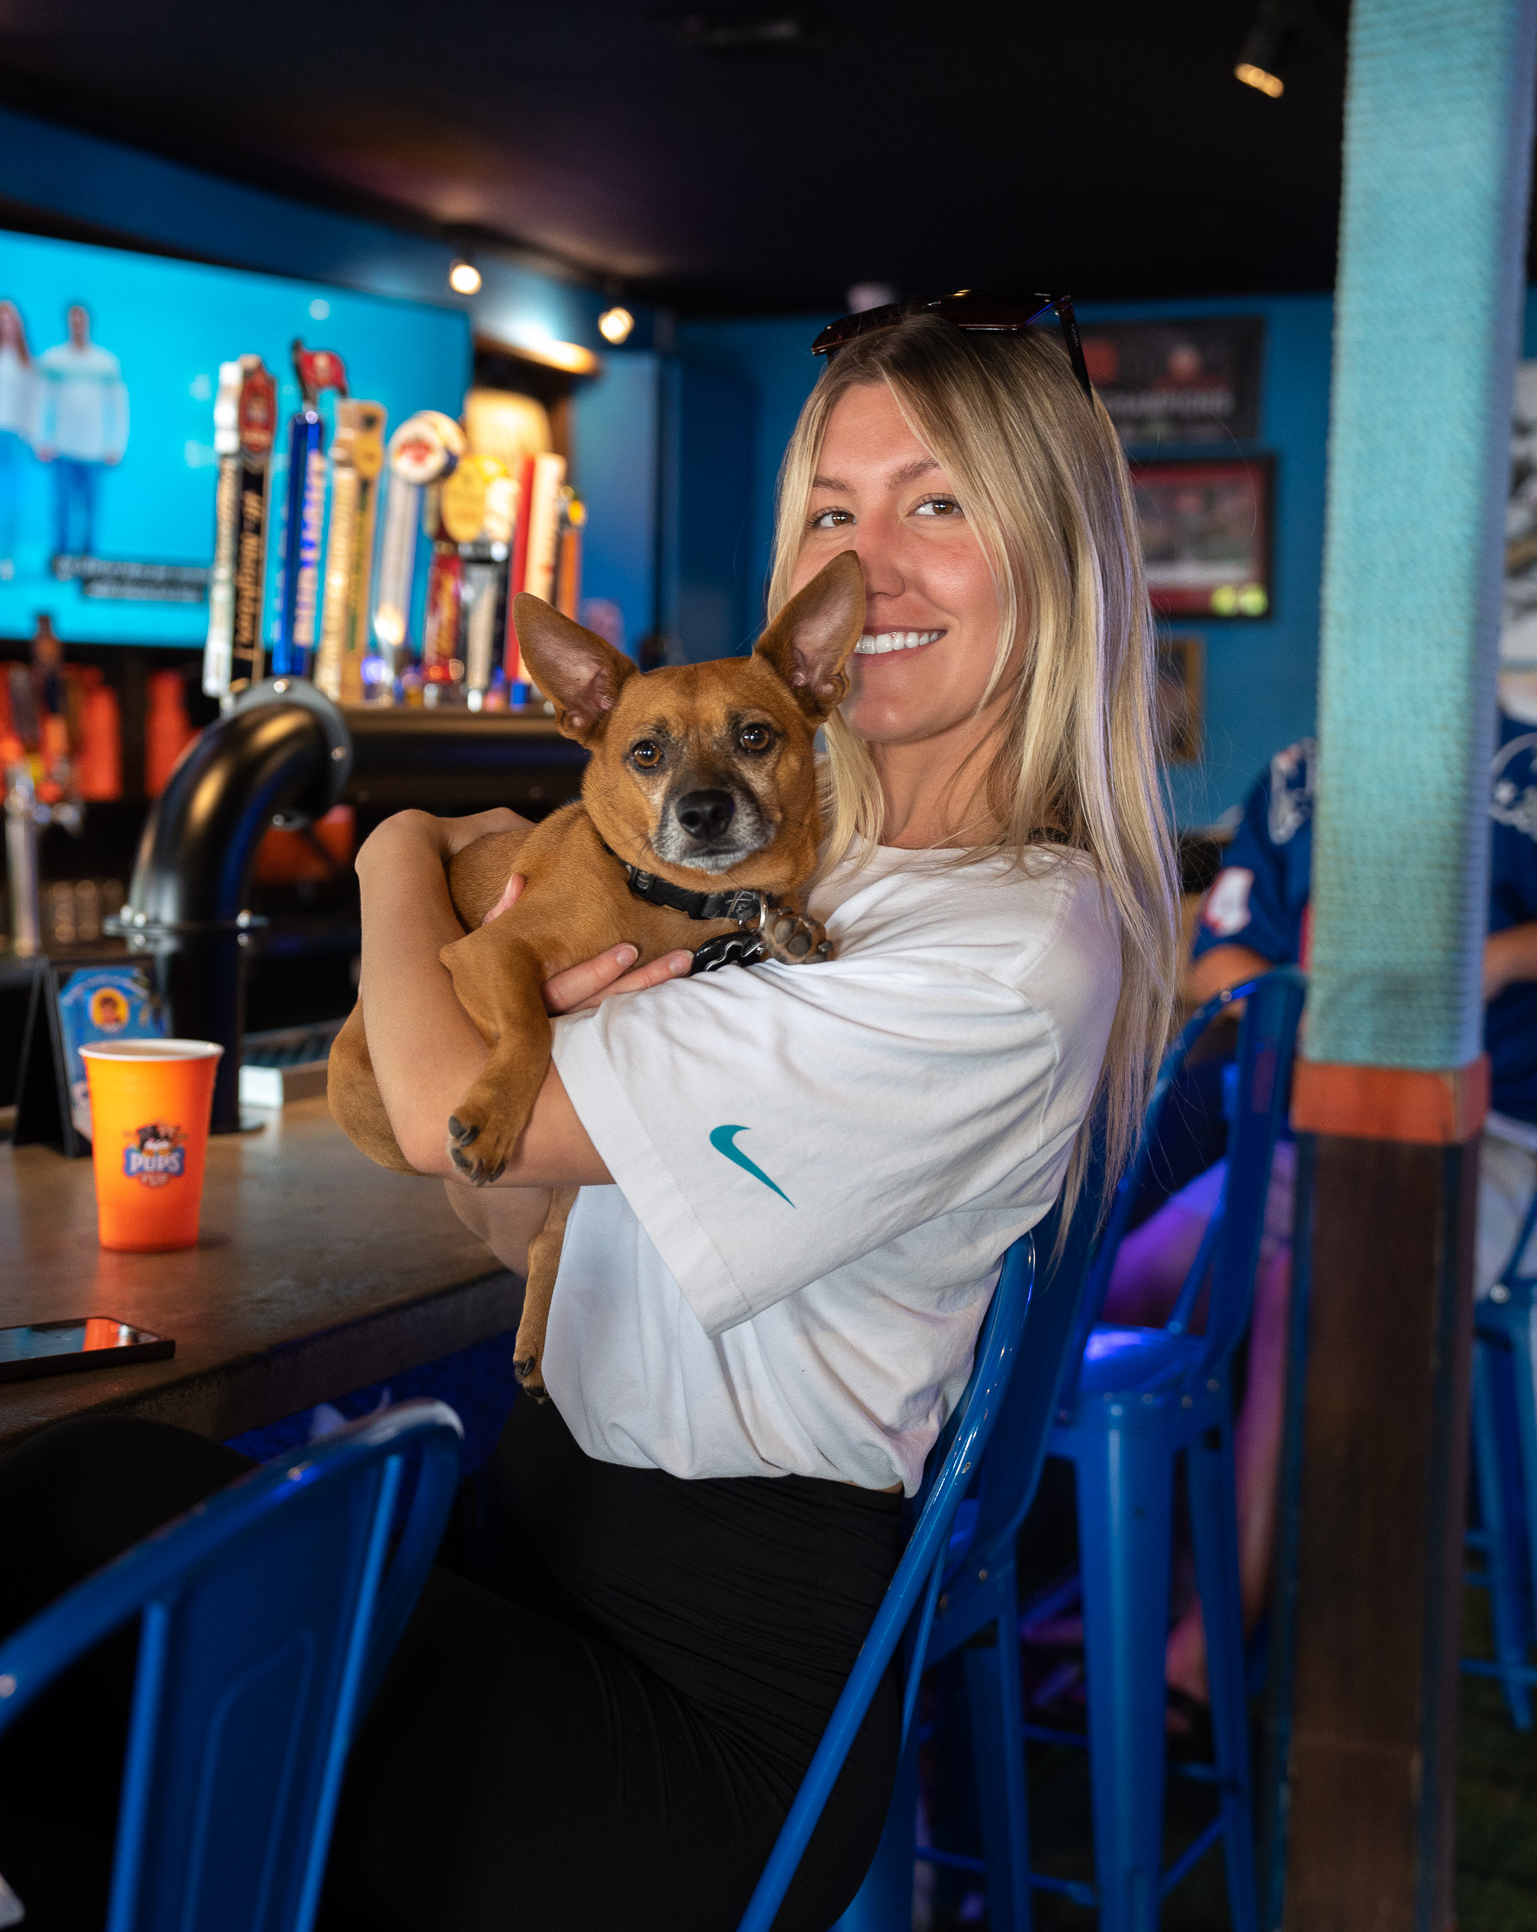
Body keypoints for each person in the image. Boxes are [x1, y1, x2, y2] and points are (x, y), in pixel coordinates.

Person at [0, 303, 1178, 1932]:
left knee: (68, 1523)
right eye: (836, 510)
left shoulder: (997, 944)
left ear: (1053, 551)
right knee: (80, 1511)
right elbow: (514, 1204)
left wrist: (398, 846)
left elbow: (425, 1112)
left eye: (940, 502)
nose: (879, 560)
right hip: (542, 1550)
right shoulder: (798, 878)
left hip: (693, 1719)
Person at [1096, 713, 1537, 1712]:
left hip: (1492, 1136)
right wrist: (1308, 1009)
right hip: (1309, 1129)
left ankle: (1214, 1638)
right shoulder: (1298, 776)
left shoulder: (1519, 768)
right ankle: (1086, 1585)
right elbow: (1217, 957)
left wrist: (1497, 958)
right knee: (1119, 1287)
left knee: (1304, 1294)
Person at [35, 302, 129, 559]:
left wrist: (116, 445)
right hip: (62, 447)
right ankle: (62, 560)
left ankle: (89, 563)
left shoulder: (106, 362)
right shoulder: (53, 360)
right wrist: (41, 439)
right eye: (73, 320)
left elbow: (119, 407)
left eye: (81, 320)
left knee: (90, 510)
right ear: (68, 323)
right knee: (62, 508)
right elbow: (42, 402)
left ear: (88, 323)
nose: (77, 325)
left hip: (95, 450)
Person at [0, 300, 37, 572]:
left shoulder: (27, 364)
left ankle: (5, 558)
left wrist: (32, 437)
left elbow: (32, 404)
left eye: (10, 319)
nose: (5, 324)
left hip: (13, 438)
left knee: (9, 500)